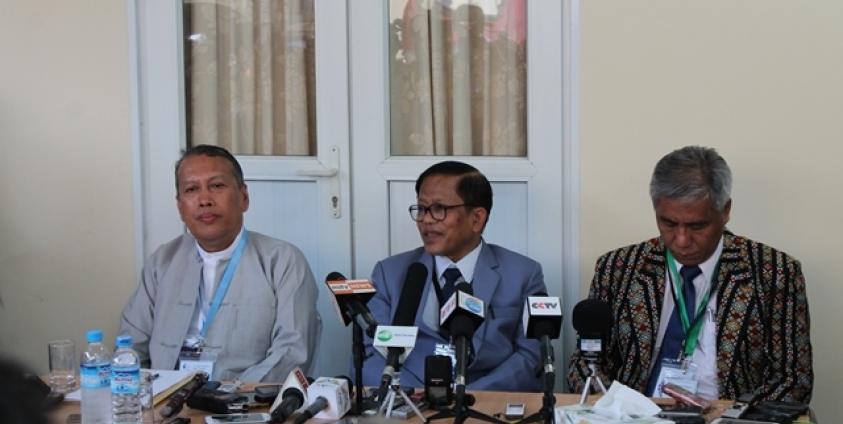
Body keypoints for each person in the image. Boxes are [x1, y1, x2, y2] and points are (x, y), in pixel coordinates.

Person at [567, 146, 813, 402]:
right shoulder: (618, 268)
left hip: (727, 414)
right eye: (669, 223)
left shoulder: (773, 273)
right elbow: (584, 363)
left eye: (697, 226)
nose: (682, 240)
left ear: (725, 210)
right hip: (636, 412)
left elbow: (794, 380)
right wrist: (619, 409)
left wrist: (731, 415)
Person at [119, 145, 321, 382]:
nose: (204, 200)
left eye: (216, 186)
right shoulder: (162, 262)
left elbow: (292, 353)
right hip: (163, 397)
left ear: (244, 198)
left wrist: (233, 395)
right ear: (180, 207)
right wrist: (145, 392)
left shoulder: (282, 261)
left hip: (246, 400)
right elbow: (130, 346)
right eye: (191, 189)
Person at [362, 161, 546, 391]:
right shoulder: (389, 273)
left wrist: (468, 397)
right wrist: (420, 397)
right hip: (410, 399)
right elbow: (370, 354)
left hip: (489, 401)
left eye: (439, 209)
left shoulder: (523, 273)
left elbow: (531, 355)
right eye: (422, 209)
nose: (426, 220)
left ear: (476, 219)